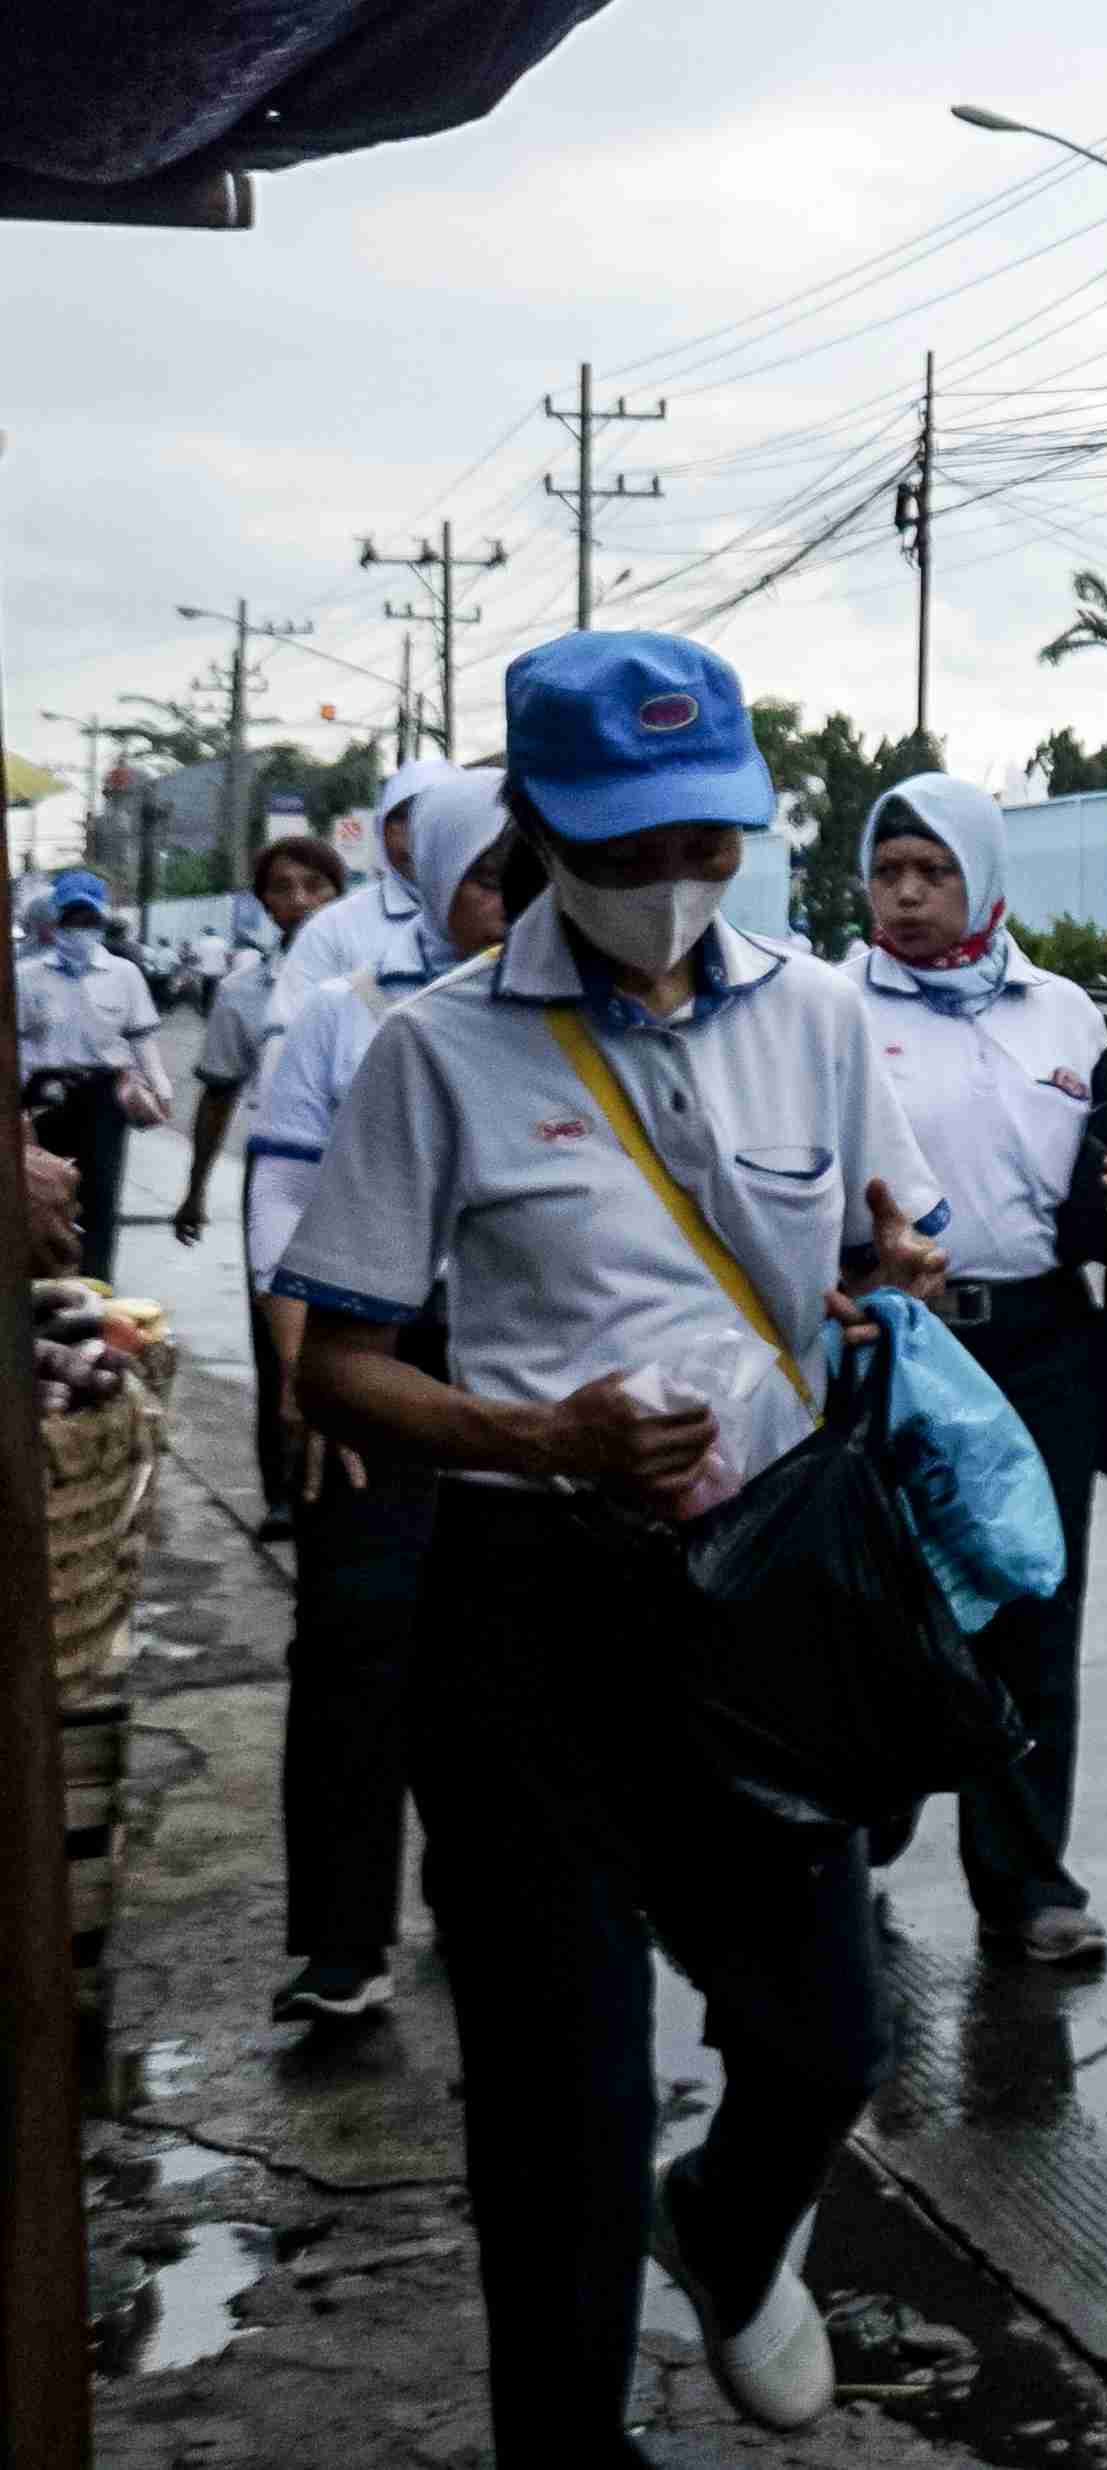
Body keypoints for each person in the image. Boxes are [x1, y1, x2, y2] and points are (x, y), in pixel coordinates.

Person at [276, 630, 951, 2460]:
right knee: (560, 2114)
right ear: (543, 824)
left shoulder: (817, 1013)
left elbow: (876, 1256)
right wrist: (539, 1433)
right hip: (523, 1618)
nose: (671, 884)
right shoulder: (437, 1051)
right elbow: (338, 1363)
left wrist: (893, 1282)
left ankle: (732, 2224)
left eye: (705, 845)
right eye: (630, 847)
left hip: (765, 1606)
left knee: (824, 2033)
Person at [852, 770, 1107, 1971]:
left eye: (934, 872)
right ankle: (862, 1835)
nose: (911, 895)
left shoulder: (1062, 1015)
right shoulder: (831, 1009)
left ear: (981, 878)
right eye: (890, 873)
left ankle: (1027, 1879)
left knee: (1034, 1606)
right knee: (884, 1602)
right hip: (892, 1347)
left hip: (1042, 1339)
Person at [234, 774, 516, 2032]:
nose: (521, 900)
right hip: (375, 1351)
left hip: (531, 1360)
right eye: (494, 874)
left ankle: (492, 1899)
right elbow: (284, 1209)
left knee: (511, 1651)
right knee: (354, 1642)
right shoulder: (347, 1017)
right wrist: (312, 1386)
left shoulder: (584, 1017)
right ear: (437, 876)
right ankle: (345, 1941)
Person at [177, 831, 352, 1527]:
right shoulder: (244, 992)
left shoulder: (378, 976)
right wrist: (194, 1189)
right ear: (262, 903)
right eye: (283, 887)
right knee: (276, 1337)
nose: (301, 900)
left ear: (342, 895)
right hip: (279, 1176)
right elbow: (219, 1094)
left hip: (360, 1175)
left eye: (316, 885)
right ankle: (280, 1490)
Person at [16, 869, 168, 1281]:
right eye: (72, 920)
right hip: (44, 1094)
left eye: (89, 921)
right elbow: (14, 1045)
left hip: (103, 1097)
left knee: (99, 1200)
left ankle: (97, 1291)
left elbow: (141, 1037)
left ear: (101, 922)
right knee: (43, 1196)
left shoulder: (124, 975)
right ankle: (49, 1292)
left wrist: (160, 1087)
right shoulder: (28, 977)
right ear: (56, 921)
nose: (80, 929)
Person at [276, 755, 461, 1008]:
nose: (417, 830)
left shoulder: (510, 920)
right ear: (380, 828)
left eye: (436, 813)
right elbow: (288, 1037)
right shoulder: (331, 929)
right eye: (400, 818)